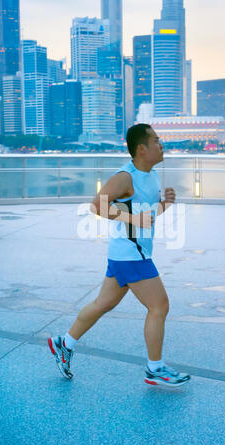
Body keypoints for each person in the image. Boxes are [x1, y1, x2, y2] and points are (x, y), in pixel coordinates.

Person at [48, 124, 191, 388]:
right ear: (141, 148)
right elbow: (97, 205)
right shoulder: (125, 176)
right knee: (159, 306)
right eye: (157, 141)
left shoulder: (153, 175)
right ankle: (155, 369)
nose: (162, 145)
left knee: (103, 304)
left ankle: (63, 343)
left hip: (127, 253)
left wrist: (164, 205)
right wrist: (132, 218)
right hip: (130, 254)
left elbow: (145, 216)